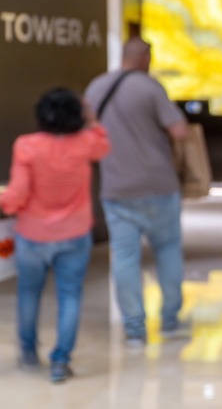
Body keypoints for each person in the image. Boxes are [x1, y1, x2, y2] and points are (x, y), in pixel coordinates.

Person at [0, 89, 110, 382]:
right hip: (75, 234)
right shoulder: (86, 143)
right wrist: (92, 119)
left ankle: (27, 352)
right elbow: (104, 145)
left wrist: (6, 202)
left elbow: (17, 195)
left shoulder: (27, 146)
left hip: (33, 235)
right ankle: (60, 361)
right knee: (70, 295)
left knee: (28, 293)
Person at [84, 37, 189, 347]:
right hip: (158, 185)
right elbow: (179, 131)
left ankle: (134, 328)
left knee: (126, 257)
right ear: (144, 57)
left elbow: (89, 133)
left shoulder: (96, 87)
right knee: (168, 250)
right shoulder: (150, 88)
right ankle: (169, 319)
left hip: (116, 187)